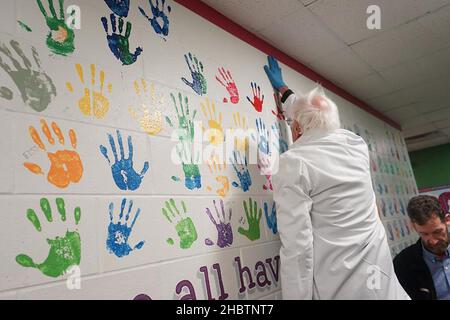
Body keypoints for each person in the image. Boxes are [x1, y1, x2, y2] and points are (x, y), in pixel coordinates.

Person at [264, 55, 410, 300]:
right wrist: (286, 92)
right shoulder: (357, 146)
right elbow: (317, 120)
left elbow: (298, 247)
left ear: (297, 129)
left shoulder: (295, 163)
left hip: (342, 289)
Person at [393, 195, 450, 300]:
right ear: (414, 227)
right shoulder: (403, 264)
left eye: (437, 232)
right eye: (424, 234)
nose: (433, 241)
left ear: (447, 220)